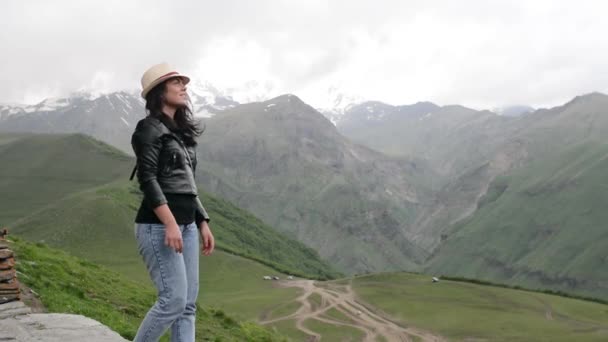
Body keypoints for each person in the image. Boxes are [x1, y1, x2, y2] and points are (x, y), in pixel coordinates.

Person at [131, 62, 215, 342]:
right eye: (176, 82)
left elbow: (188, 185)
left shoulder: (182, 133)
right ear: (159, 91)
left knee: (188, 306)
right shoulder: (148, 129)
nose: (184, 86)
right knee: (173, 301)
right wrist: (169, 223)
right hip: (158, 226)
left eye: (184, 82)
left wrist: (202, 221)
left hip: (188, 225)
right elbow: (148, 179)